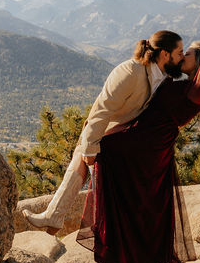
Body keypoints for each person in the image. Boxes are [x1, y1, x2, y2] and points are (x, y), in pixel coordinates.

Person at [77, 36, 200, 263]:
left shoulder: (198, 88)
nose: (183, 57)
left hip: (148, 152)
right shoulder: (180, 82)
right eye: (182, 52)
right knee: (116, 207)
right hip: (134, 148)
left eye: (189, 54)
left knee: (148, 215)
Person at [22, 30, 185, 238]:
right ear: (164, 54)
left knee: (84, 165)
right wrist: (90, 147)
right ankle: (84, 230)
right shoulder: (130, 71)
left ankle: (55, 217)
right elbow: (102, 110)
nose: (182, 57)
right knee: (86, 164)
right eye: (179, 52)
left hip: (126, 138)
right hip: (107, 135)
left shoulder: (162, 76)